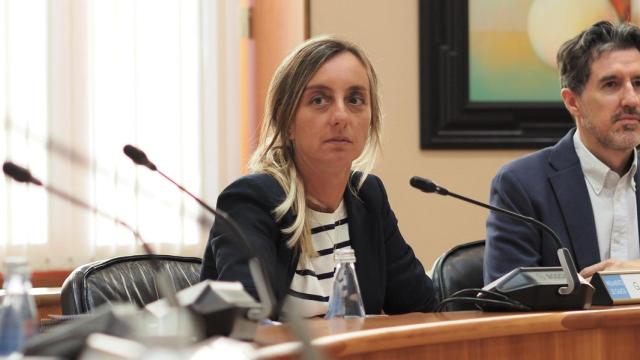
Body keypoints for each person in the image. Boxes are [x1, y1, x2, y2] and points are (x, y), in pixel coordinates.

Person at [200, 37, 437, 319]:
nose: (340, 116)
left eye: (355, 100)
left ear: (371, 118)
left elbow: (422, 306)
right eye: (319, 100)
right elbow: (244, 320)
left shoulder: (367, 195)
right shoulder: (250, 201)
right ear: (286, 120)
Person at [485, 21, 640, 284]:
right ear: (572, 101)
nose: (631, 99)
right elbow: (510, 299)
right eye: (611, 84)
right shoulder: (522, 185)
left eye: (638, 83)